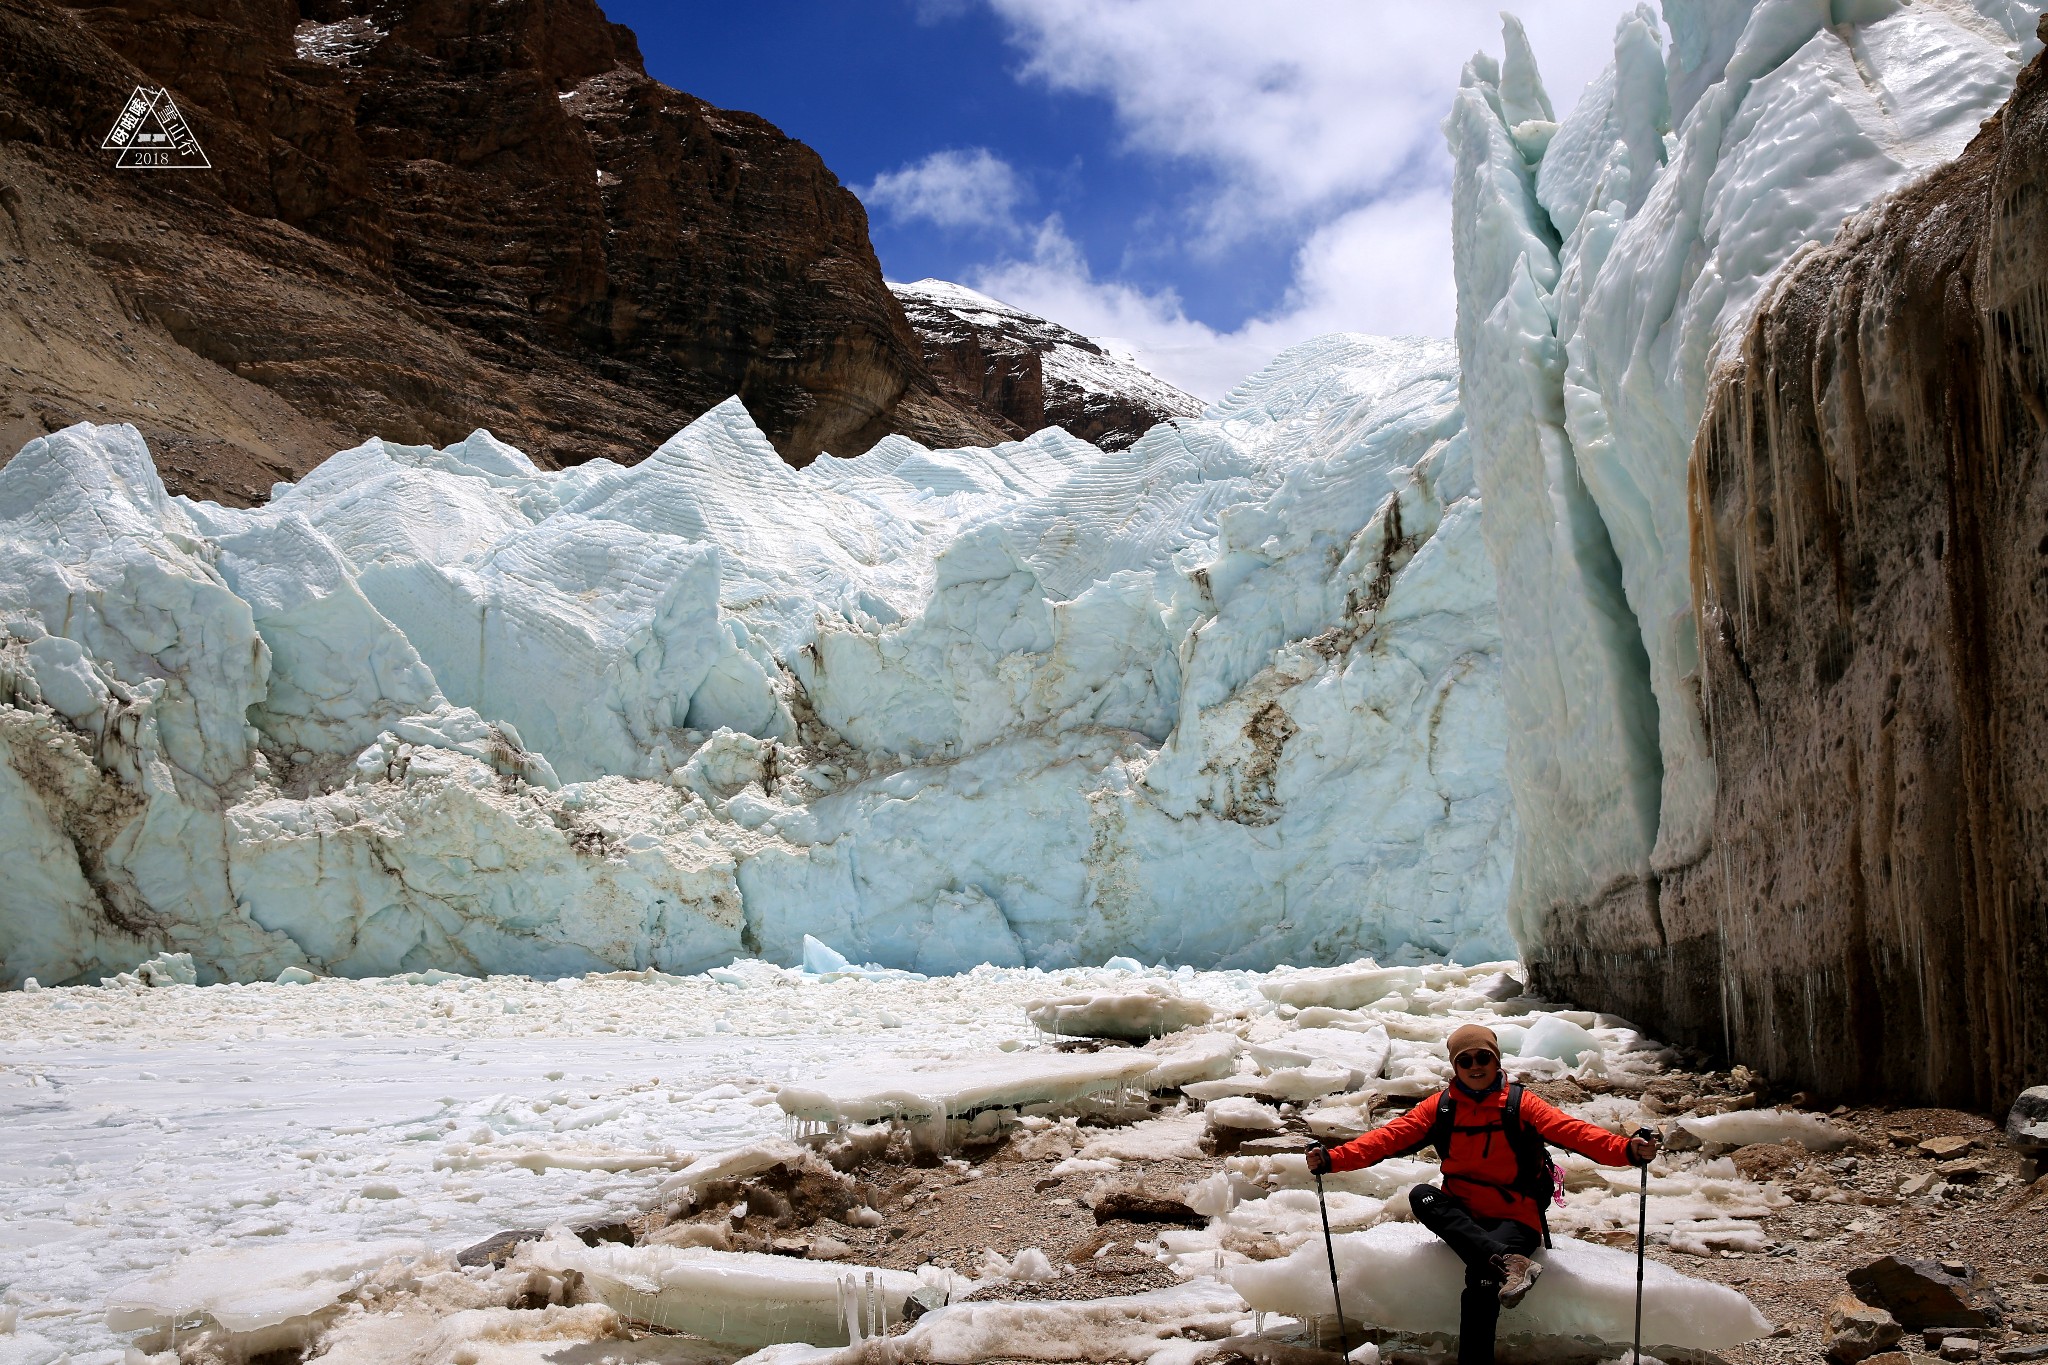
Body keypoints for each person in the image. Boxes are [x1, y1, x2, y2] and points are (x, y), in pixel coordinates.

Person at [1304, 1023, 1657, 1365]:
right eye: (1465, 1060)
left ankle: (1494, 1281)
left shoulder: (1522, 1104)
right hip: (1465, 1212)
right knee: (1421, 1195)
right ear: (1455, 1066)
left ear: (1496, 1061)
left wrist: (1626, 1150)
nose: (1475, 1066)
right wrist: (1333, 1158)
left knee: (1482, 1282)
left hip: (1516, 1216)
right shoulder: (1441, 1107)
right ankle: (1508, 1261)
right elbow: (1388, 1138)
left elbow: (1574, 1132)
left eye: (1482, 1057)